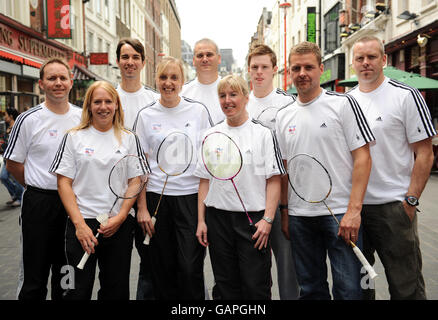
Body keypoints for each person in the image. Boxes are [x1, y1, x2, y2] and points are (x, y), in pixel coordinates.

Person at [275, 42, 374, 300]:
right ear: (290, 72)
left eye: (309, 67)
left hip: (340, 214)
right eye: (296, 68)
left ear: (321, 69)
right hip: (299, 216)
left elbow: (363, 157)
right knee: (310, 290)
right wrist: (285, 213)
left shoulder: (343, 104)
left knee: (350, 290)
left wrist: (354, 210)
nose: (302, 73)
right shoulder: (283, 116)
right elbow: (284, 171)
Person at [349, 35, 436, 300]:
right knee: (360, 287)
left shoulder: (405, 96)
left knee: (405, 286)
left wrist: (410, 200)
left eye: (372, 57)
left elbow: (425, 152)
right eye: (360, 58)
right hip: (354, 211)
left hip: (393, 209)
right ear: (353, 63)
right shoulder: (346, 102)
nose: (366, 63)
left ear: (384, 60)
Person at [49, 81, 148, 300]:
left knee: (116, 290)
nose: (103, 107)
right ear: (89, 106)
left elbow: (135, 180)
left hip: (118, 226)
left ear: (116, 105)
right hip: (81, 225)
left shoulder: (130, 139)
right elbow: (63, 183)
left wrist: (121, 217)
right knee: (73, 289)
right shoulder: (73, 137)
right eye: (97, 102)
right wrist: (79, 225)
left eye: (108, 101)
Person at [195, 74, 284, 300]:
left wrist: (268, 220)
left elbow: (273, 179)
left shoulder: (263, 133)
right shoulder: (210, 135)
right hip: (218, 220)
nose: (228, 100)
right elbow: (204, 180)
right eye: (223, 95)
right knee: (225, 286)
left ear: (246, 97)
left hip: (253, 222)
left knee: (255, 286)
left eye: (233, 94)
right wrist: (202, 221)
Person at [134, 57, 213, 299]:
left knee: (190, 269)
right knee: (162, 269)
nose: (168, 83)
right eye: (163, 77)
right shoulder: (145, 115)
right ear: (156, 80)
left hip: (190, 199)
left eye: (174, 77)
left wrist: (202, 216)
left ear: (182, 81)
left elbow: (207, 163)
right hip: (157, 199)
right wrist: (142, 208)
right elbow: (139, 167)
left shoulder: (198, 111)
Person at [4, 58, 82, 300]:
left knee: (67, 273)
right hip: (39, 204)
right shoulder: (28, 119)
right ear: (41, 84)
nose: (58, 83)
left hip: (74, 206)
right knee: (34, 276)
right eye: (51, 78)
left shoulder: (83, 119)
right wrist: (37, 187)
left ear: (71, 82)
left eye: (62, 78)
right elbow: (13, 163)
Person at [246, 44, 299, 300]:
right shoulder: (242, 102)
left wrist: (286, 207)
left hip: (283, 199)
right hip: (252, 199)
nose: (259, 72)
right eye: (254, 67)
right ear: (248, 70)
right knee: (256, 272)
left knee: (288, 269)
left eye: (264, 67)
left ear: (275, 69)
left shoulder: (288, 103)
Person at [115, 37, 159, 300]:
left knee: (151, 263)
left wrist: (142, 204)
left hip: (148, 193)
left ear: (143, 62)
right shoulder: (107, 97)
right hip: (113, 194)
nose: (130, 62)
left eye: (135, 57)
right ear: (117, 61)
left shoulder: (153, 99)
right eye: (125, 57)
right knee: (115, 267)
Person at [181, 38, 224, 125]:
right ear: (193, 61)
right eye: (200, 55)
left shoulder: (231, 90)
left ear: (219, 58)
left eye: (209, 55)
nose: (205, 59)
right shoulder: (182, 92)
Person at [1, 108, 24, 207]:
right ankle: (15, 194)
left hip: (14, 158)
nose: (4, 117)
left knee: (17, 180)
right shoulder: (7, 127)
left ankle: (19, 198)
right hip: (6, 157)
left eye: (5, 115)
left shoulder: (16, 127)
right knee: (3, 177)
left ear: (10, 116)